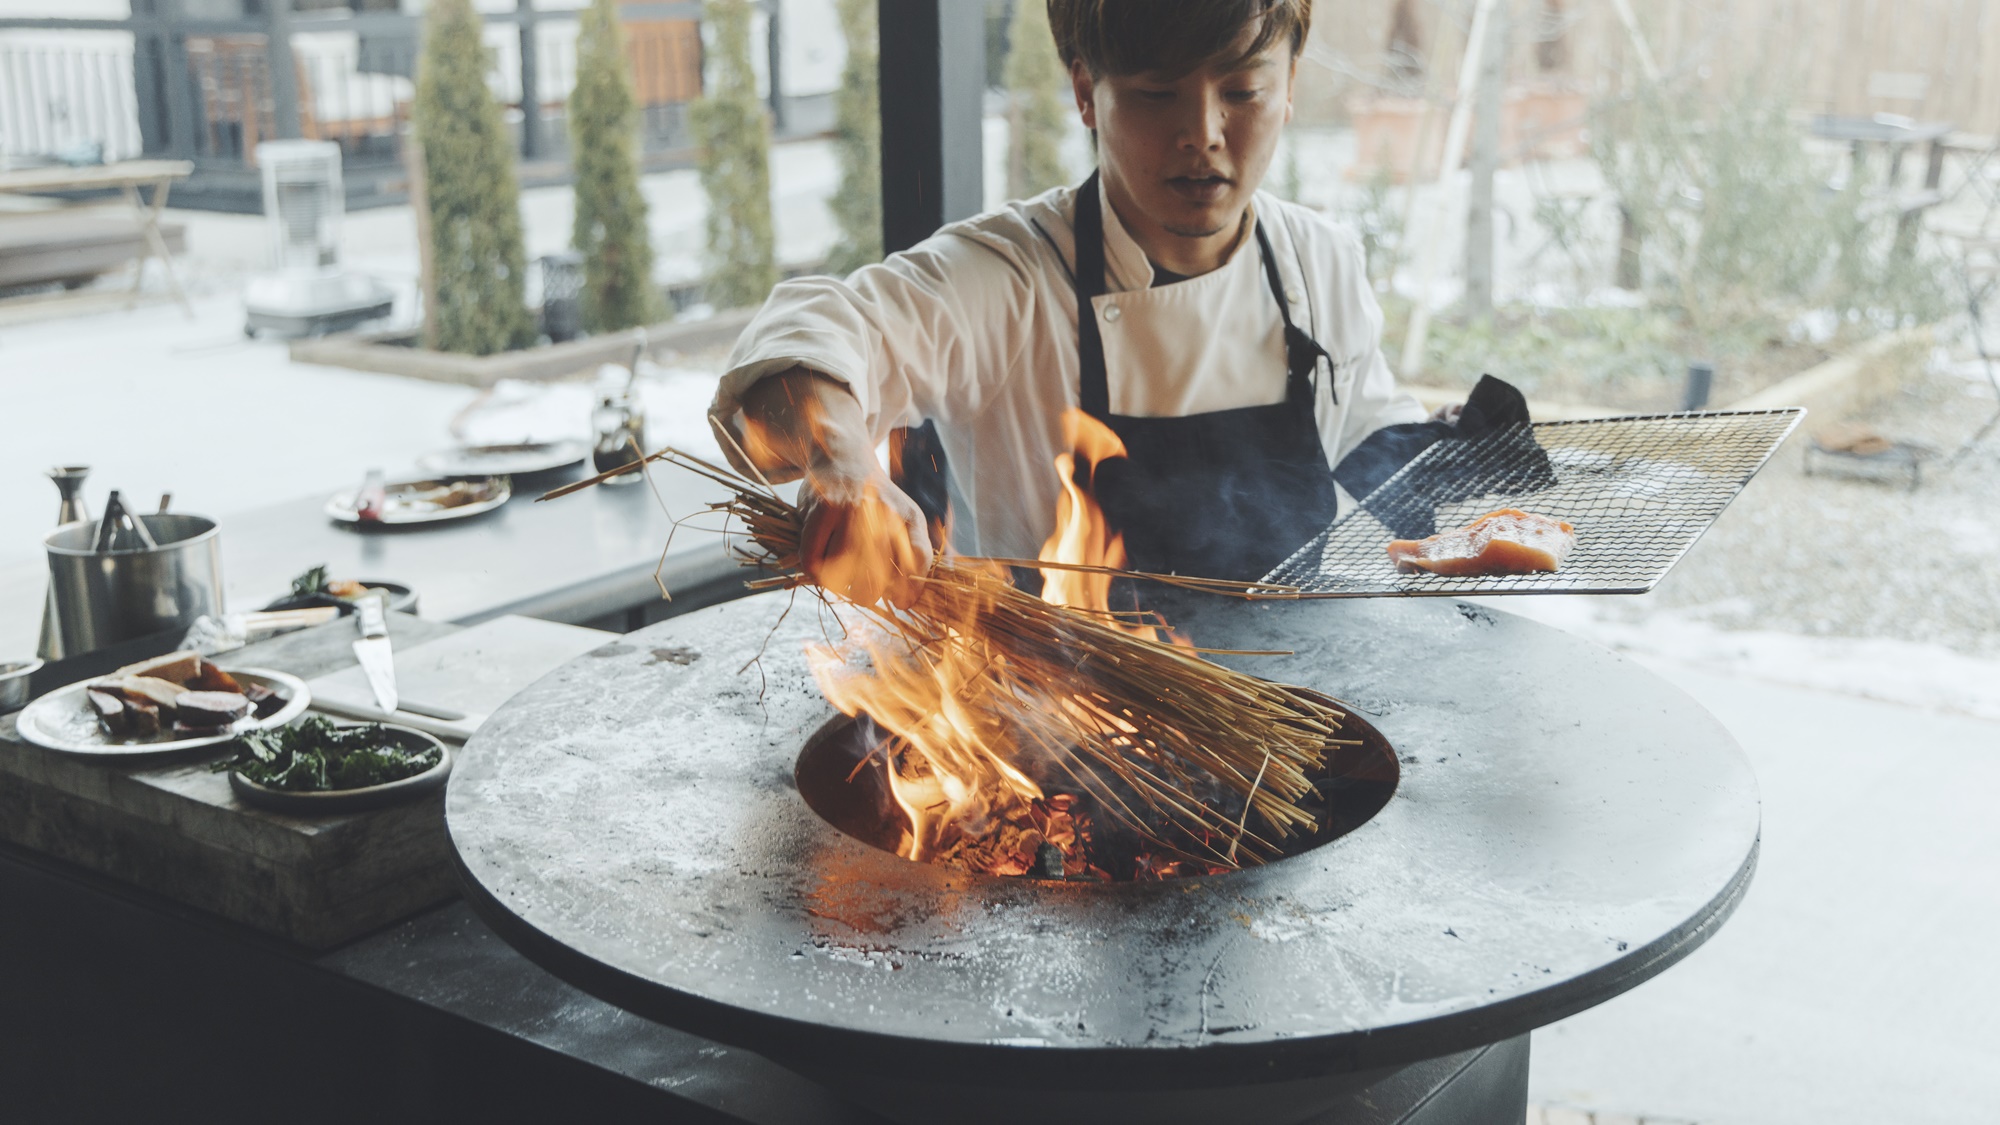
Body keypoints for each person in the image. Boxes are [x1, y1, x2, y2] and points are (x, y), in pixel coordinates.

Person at [709, 0, 1435, 605]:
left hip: (1293, 717)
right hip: (1055, 744)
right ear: (1087, 90)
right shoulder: (1013, 277)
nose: (1203, 135)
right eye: (1158, 92)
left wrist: (1455, 480)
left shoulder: (1319, 259)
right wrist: (845, 470)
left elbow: (1370, 427)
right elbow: (807, 338)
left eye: (1242, 90)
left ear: (1290, 85)